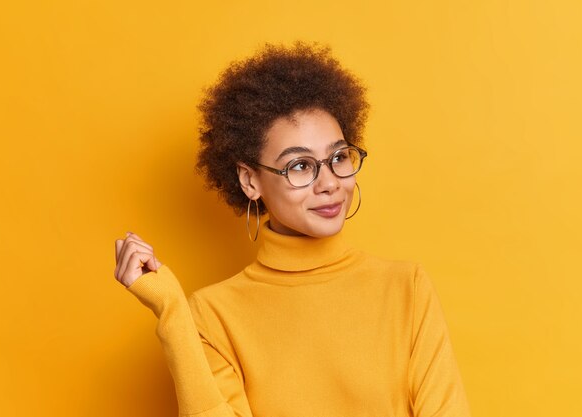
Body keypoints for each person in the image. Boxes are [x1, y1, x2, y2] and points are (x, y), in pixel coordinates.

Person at [114, 42, 471, 417]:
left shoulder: (406, 288)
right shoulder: (212, 314)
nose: (330, 182)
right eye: (300, 166)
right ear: (250, 181)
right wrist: (172, 311)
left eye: (337, 158)